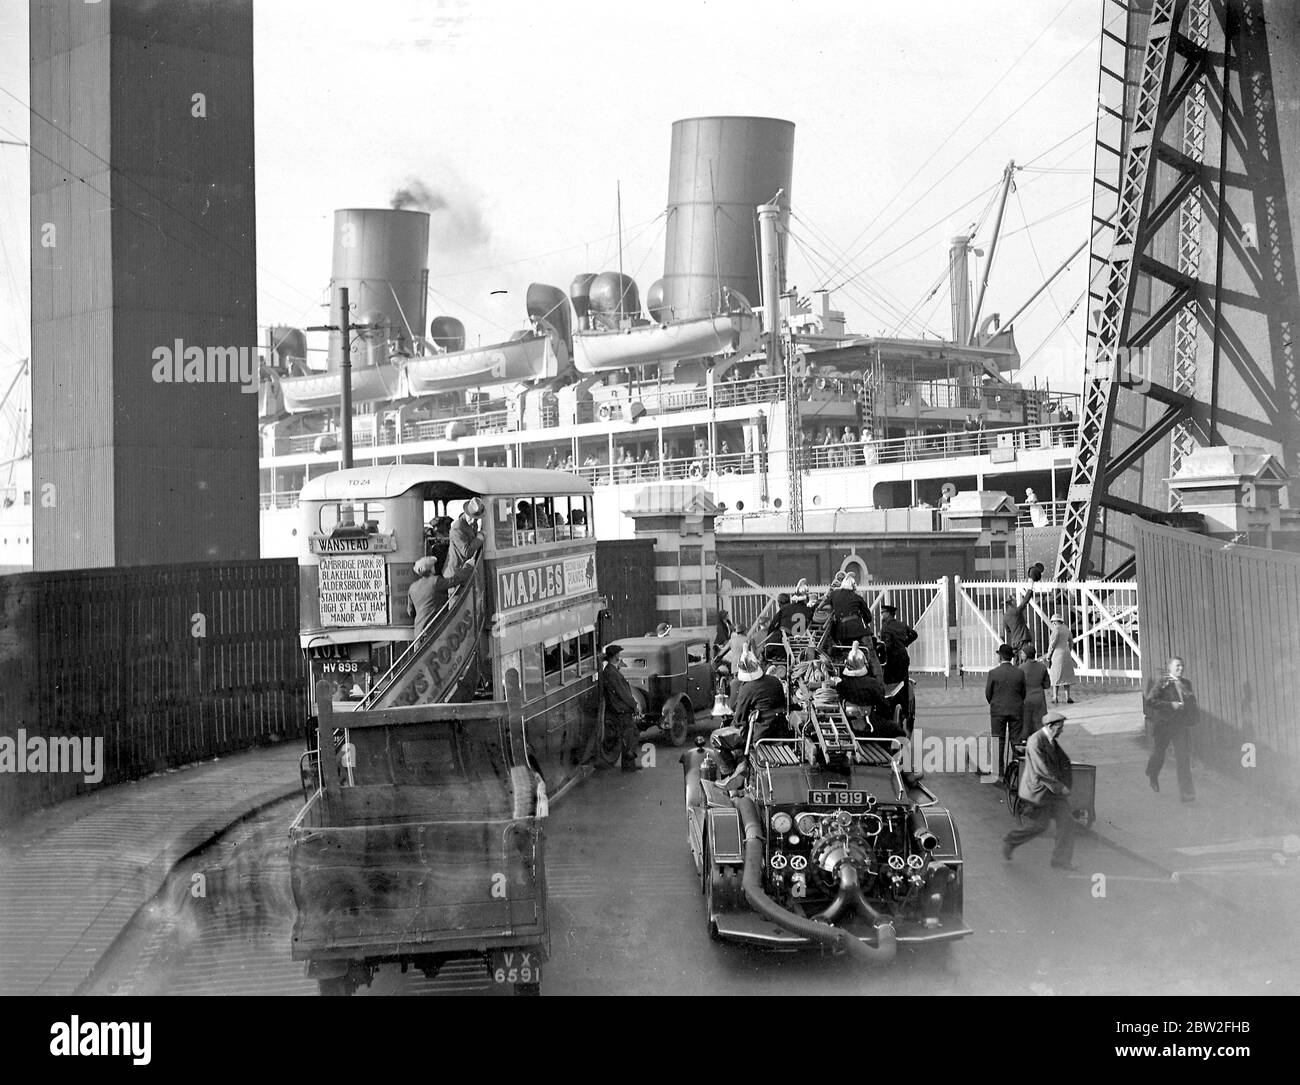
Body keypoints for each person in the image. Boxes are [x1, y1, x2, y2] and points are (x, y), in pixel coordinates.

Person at [1002, 711, 1075, 869]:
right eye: (1059, 727)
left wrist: (1067, 782)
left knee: (1067, 822)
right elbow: (1042, 770)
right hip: (1039, 792)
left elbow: (1064, 761)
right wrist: (1060, 787)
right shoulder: (1036, 741)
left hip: (1053, 793)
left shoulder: (1051, 740)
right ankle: (1011, 840)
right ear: (1050, 726)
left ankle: (1060, 860)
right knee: (1039, 826)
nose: (1062, 730)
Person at [1144, 656, 1197, 801]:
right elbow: (1150, 700)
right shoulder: (1163, 683)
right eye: (1177, 666)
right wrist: (1170, 705)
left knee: (1183, 758)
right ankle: (1152, 773)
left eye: (1182, 666)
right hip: (1164, 725)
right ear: (1170, 668)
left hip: (1179, 726)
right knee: (1159, 754)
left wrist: (1191, 717)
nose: (1180, 668)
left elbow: (1192, 703)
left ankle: (1186, 793)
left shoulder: (1186, 683)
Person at [408, 548, 477, 634]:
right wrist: (468, 566)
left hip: (418, 633)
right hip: (434, 630)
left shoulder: (412, 587)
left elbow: (411, 612)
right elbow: (456, 580)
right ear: (431, 569)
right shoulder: (435, 581)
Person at [730, 646, 788, 743]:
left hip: (761, 735)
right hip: (782, 731)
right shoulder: (775, 681)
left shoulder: (747, 688)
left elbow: (739, 719)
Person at [985, 643, 1027, 776]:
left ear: (1000, 657)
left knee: (998, 739)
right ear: (1011, 657)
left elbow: (988, 693)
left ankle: (998, 771)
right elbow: (1023, 692)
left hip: (998, 710)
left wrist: (994, 703)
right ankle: (1016, 770)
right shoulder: (1019, 672)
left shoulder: (993, 673)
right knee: (1016, 741)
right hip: (1016, 709)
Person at [600, 644, 642, 773]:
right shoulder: (612, 672)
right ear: (616, 656)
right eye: (618, 653)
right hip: (621, 709)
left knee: (628, 735)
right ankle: (628, 764)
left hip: (616, 708)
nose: (620, 655)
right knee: (630, 735)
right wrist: (634, 706)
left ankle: (628, 763)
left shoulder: (609, 670)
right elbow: (623, 692)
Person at [837, 641, 892, 728]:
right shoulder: (873, 683)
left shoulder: (841, 685)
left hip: (847, 724)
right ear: (864, 663)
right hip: (871, 723)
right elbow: (883, 705)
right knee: (897, 731)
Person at [822, 573, 873, 644]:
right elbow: (868, 617)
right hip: (859, 631)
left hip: (841, 633)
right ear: (853, 586)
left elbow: (824, 603)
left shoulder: (833, 594)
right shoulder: (857, 597)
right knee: (869, 648)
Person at [877, 603, 918, 684]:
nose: (881, 614)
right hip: (903, 657)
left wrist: (879, 649)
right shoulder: (901, 624)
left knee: (890, 684)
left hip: (892, 659)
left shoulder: (885, 627)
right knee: (904, 683)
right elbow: (914, 634)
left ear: (888, 613)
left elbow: (887, 645)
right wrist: (905, 643)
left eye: (882, 612)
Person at [445, 496, 485, 577]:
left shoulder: (473, 524)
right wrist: (479, 538)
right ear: (466, 513)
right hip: (455, 574)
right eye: (471, 517)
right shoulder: (457, 528)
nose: (474, 520)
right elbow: (467, 552)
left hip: (466, 570)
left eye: (476, 518)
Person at [1019, 644, 1051, 738]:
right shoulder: (1042, 667)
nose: (1021, 654)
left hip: (1026, 699)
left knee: (1026, 722)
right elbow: (1047, 685)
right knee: (1039, 722)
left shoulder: (1021, 668)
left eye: (1022, 652)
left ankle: (1025, 740)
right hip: (1039, 698)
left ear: (1026, 655)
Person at [1046, 613, 1075, 703]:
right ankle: (1068, 697)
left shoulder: (1056, 630)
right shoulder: (1066, 628)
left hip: (1057, 654)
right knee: (1066, 676)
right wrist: (1069, 650)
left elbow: (1052, 645)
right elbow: (1071, 641)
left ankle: (1055, 697)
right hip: (1066, 653)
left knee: (1056, 676)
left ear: (1054, 622)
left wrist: (1048, 656)